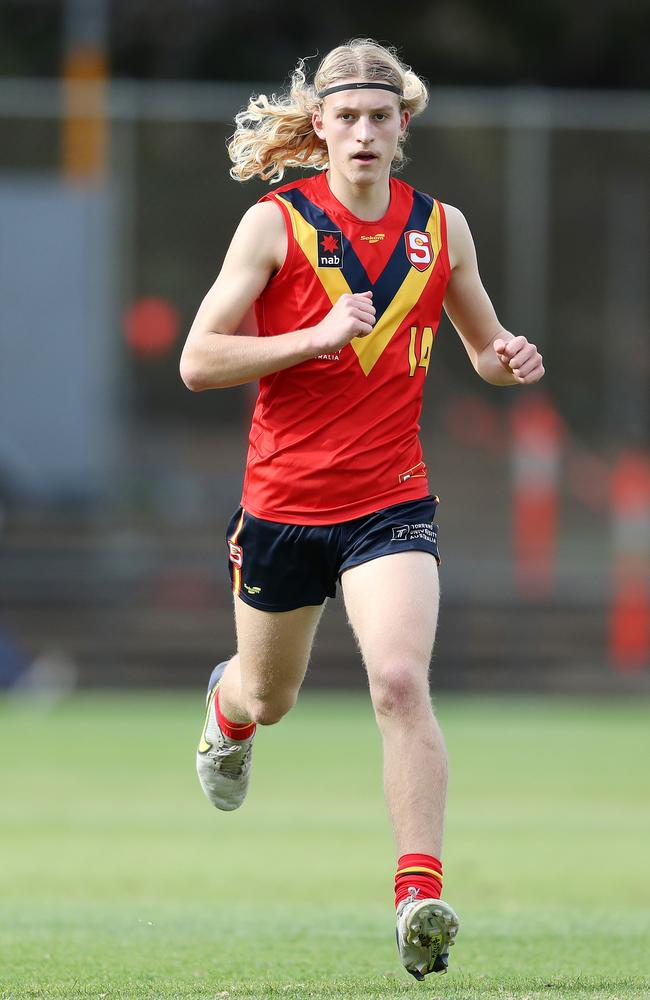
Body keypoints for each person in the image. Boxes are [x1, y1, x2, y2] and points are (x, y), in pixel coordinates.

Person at [180, 38, 544, 981]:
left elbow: (479, 342)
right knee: (273, 696)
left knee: (398, 681)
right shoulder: (276, 224)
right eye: (347, 117)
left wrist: (506, 355)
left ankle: (418, 896)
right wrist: (309, 336)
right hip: (283, 506)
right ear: (321, 128)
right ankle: (229, 711)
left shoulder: (441, 228)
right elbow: (198, 360)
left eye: (382, 117)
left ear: (402, 127)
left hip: (391, 502)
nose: (365, 133)